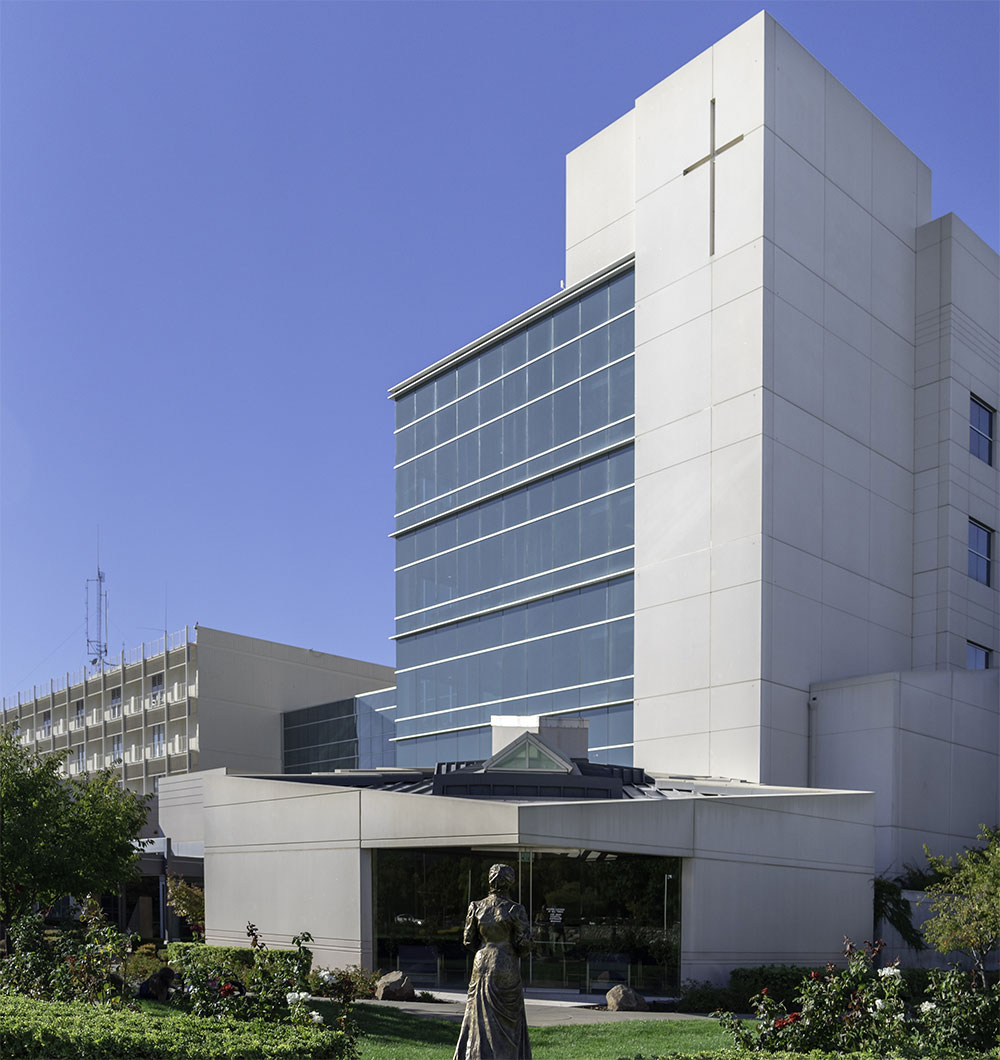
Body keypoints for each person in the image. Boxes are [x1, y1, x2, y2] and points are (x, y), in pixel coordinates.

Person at [452, 863, 531, 1060]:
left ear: (490, 880)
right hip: (505, 962)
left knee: (477, 1017)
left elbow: (468, 939)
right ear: (510, 883)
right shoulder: (515, 910)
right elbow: (524, 944)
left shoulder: (476, 907)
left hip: (482, 962)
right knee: (508, 1022)